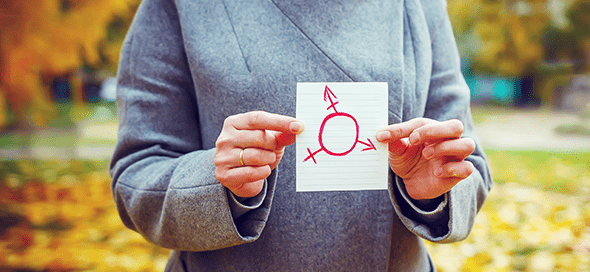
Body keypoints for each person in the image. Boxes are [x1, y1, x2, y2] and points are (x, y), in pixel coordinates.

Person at [109, 0, 493, 270]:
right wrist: (214, 180)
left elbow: (470, 166)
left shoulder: (420, 6)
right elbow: (136, 175)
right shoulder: (179, 6)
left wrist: (434, 191)